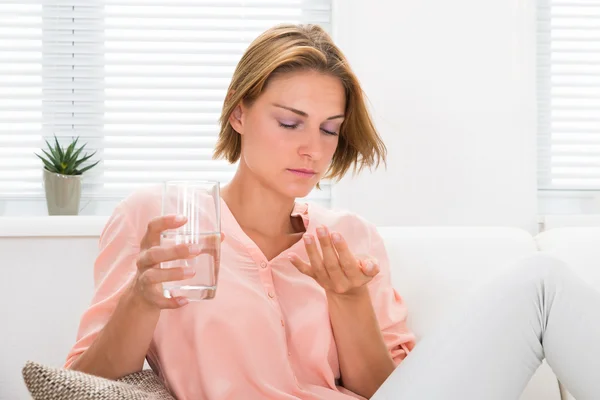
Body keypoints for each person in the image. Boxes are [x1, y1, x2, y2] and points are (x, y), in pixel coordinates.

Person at [65, 24, 600, 400]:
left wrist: (348, 300)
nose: (313, 150)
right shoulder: (161, 220)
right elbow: (80, 387)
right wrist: (140, 301)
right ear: (239, 111)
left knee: (543, 284)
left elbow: (383, 388)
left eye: (328, 128)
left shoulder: (349, 237)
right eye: (290, 122)